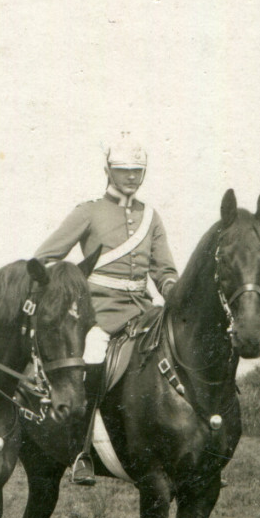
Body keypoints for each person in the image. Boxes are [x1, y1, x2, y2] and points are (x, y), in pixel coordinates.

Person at [33, 135, 178, 484]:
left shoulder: (151, 217)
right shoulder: (89, 211)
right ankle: (82, 451)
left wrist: (172, 289)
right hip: (98, 313)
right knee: (93, 357)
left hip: (143, 311)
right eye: (123, 170)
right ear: (108, 171)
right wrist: (64, 290)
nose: (130, 177)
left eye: (136, 171)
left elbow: (164, 269)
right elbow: (44, 256)